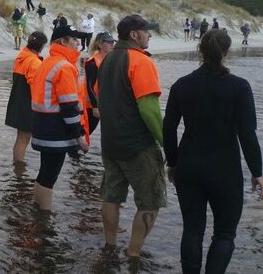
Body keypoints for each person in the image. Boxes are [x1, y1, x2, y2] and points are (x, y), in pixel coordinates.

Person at [163, 29, 263, 273]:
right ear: (226, 53)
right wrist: (257, 171)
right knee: (225, 234)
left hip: (189, 167)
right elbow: (247, 135)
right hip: (225, 170)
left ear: (200, 51)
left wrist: (173, 163)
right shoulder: (239, 87)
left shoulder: (181, 85)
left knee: (192, 231)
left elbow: (169, 126)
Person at [97, 14, 165, 257]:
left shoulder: (106, 60)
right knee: (150, 201)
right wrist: (166, 141)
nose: (150, 35)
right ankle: (134, 254)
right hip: (137, 145)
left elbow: (99, 97)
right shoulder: (141, 61)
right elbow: (149, 110)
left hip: (110, 142)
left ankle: (110, 245)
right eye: (147, 31)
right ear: (134, 35)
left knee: (111, 196)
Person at [30, 25, 89, 210]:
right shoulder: (64, 67)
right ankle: (45, 219)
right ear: (63, 41)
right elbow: (69, 105)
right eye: (74, 39)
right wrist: (79, 136)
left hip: (42, 126)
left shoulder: (47, 62)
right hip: (56, 131)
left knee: (44, 173)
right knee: (50, 177)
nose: (78, 43)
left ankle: (37, 211)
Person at [5, 31, 48, 162]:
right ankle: (19, 167)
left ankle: (17, 168)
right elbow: (36, 87)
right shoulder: (34, 62)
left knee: (20, 138)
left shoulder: (21, 57)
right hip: (27, 104)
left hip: (17, 101)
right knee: (24, 139)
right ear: (41, 46)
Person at [84, 31, 115, 134]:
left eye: (112, 42)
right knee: (86, 131)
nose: (112, 44)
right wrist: (95, 107)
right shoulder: (92, 63)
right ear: (100, 44)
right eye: (109, 42)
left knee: (112, 131)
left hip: (105, 104)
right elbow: (90, 86)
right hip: (91, 105)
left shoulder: (110, 60)